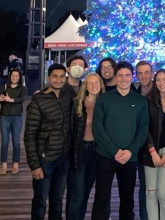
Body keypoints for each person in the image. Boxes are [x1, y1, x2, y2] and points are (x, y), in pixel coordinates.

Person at [91, 61, 149, 220]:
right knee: (101, 197)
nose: (124, 79)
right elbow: (98, 129)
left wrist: (130, 151)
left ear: (132, 76)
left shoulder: (140, 101)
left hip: (129, 158)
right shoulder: (104, 99)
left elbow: (143, 129)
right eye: (120, 75)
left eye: (127, 75)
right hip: (106, 155)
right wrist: (114, 151)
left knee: (127, 198)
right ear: (115, 77)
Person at [25, 64, 73, 220]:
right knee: (40, 200)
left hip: (64, 159)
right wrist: (35, 165)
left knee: (57, 200)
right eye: (55, 76)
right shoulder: (38, 101)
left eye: (61, 76)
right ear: (48, 77)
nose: (58, 80)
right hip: (44, 160)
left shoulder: (68, 98)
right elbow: (29, 135)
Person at [140, 69, 165, 220]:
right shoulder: (148, 101)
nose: (161, 83)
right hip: (150, 151)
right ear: (154, 82)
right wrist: (152, 152)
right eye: (158, 80)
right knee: (151, 192)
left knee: (163, 193)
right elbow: (145, 127)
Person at [68, 72, 107, 220]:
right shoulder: (78, 103)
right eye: (90, 83)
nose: (94, 86)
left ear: (101, 85)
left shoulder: (104, 104)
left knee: (88, 193)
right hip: (81, 150)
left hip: (97, 151)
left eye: (96, 83)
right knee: (78, 195)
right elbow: (71, 130)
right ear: (86, 86)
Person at [132, 61, 154, 220]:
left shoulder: (161, 91)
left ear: (152, 73)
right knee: (144, 186)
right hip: (139, 147)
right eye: (140, 73)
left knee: (159, 188)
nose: (144, 76)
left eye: (146, 72)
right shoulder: (134, 93)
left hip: (159, 145)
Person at [0, 68, 26, 175]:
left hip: (17, 117)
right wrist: (0, 98)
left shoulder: (22, 88)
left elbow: (22, 99)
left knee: (16, 142)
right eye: (13, 76)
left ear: (19, 77)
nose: (14, 78)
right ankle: (4, 165)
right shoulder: (4, 87)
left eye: (16, 76)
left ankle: (15, 165)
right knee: (4, 142)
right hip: (4, 116)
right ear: (10, 76)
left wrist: (11, 100)